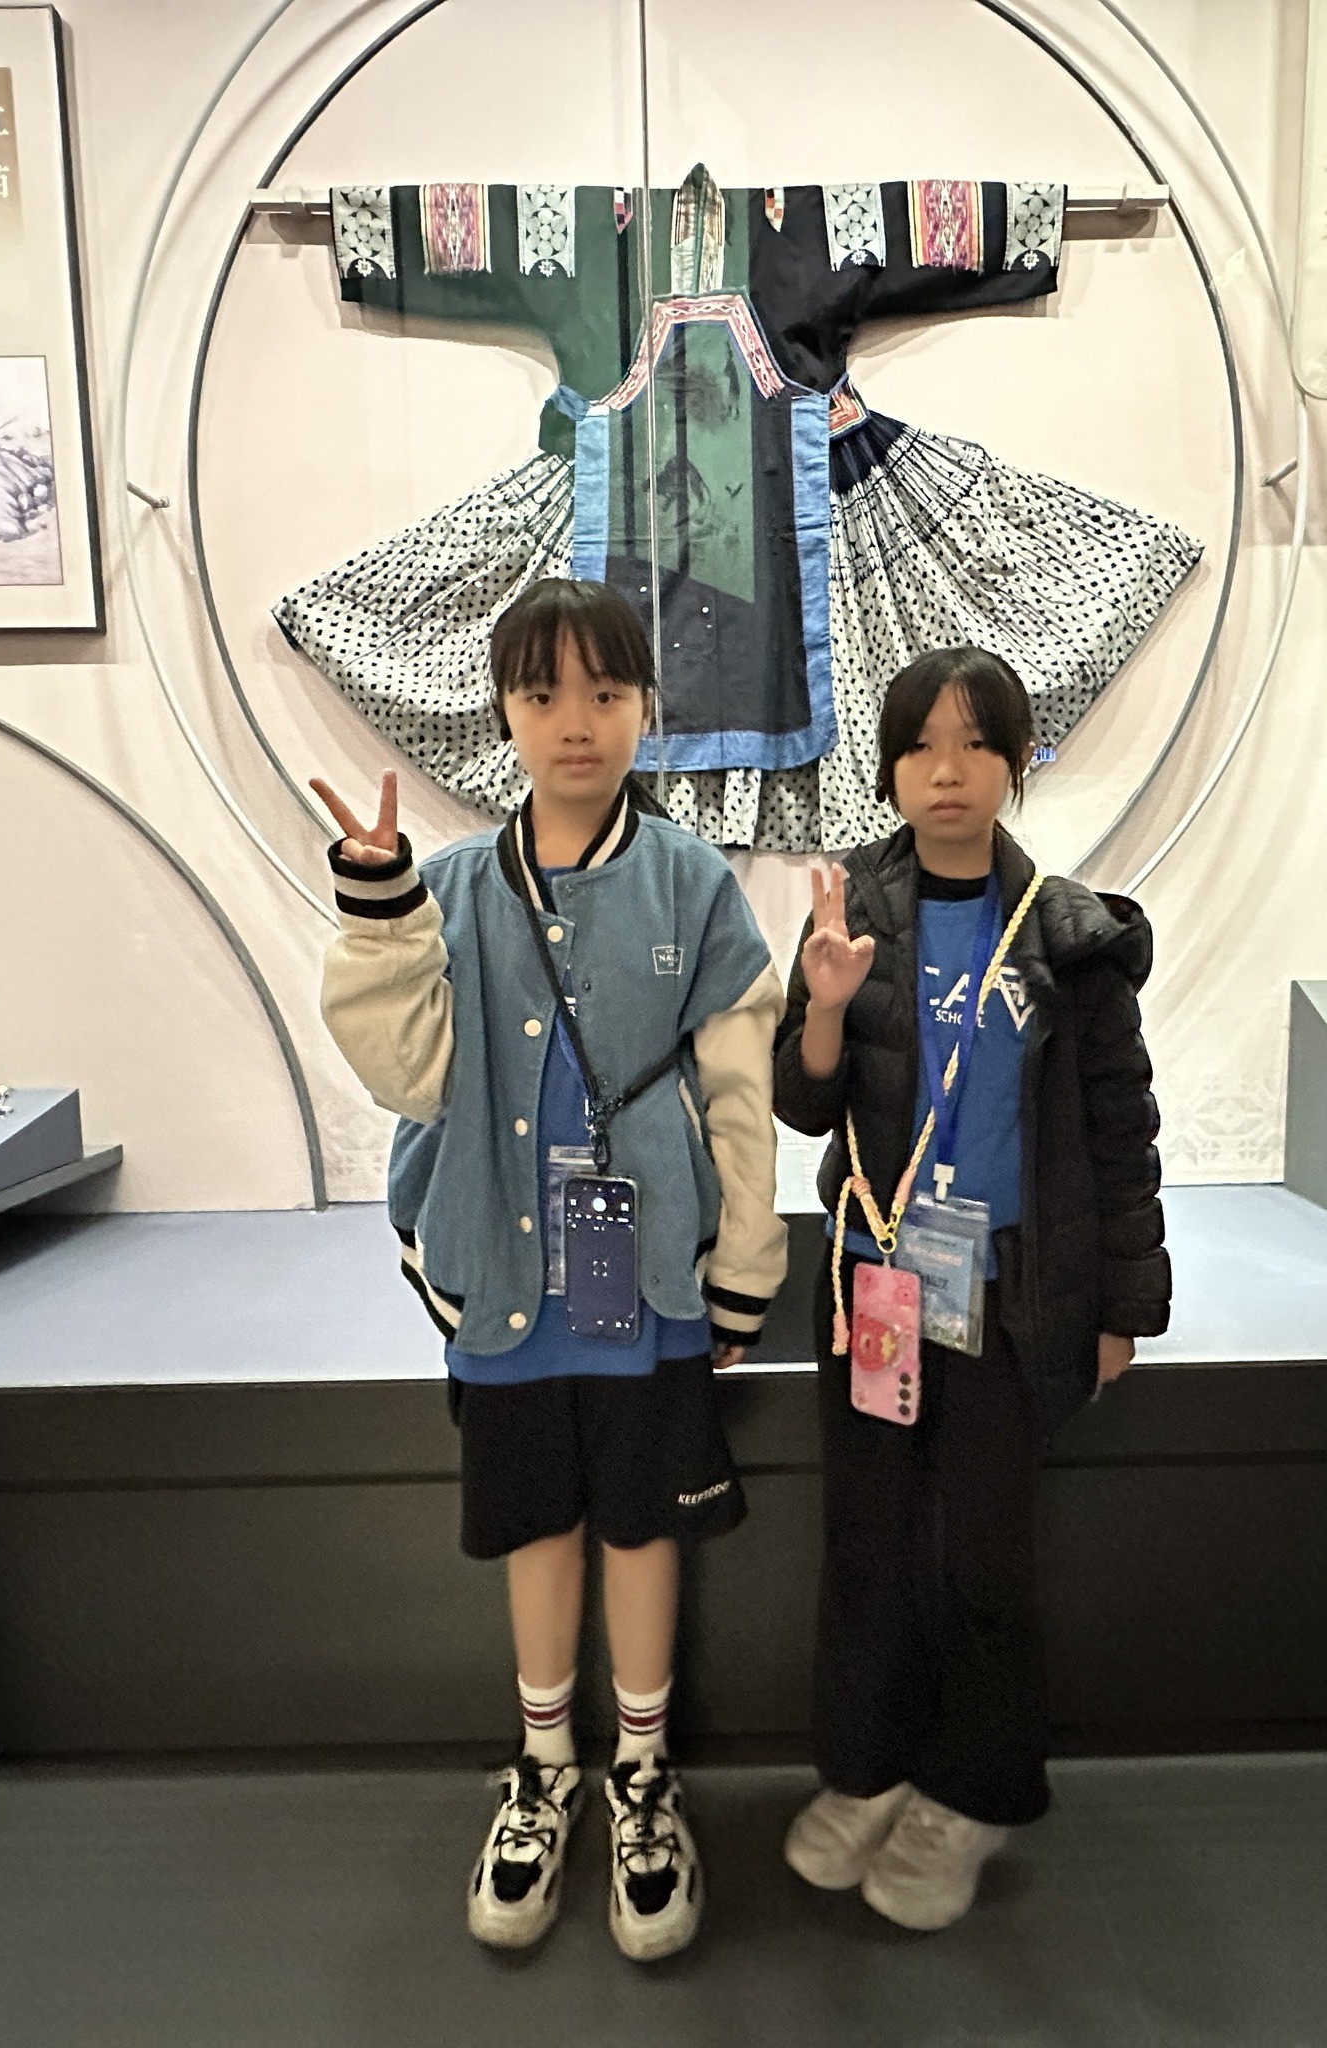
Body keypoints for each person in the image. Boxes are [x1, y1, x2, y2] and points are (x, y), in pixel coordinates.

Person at [311, 577, 787, 1962]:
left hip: (648, 1285)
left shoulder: (693, 882)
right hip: (508, 1281)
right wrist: (381, 909)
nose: (575, 721)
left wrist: (743, 1259)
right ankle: (544, 1769)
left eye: (605, 691)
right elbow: (407, 1074)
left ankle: (641, 1775)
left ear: (646, 706)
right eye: (541, 694)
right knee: (538, 1525)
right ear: (504, 714)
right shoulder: (454, 887)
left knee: (640, 1526)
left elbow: (740, 1089)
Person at [773, 646, 1169, 1932]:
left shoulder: (1068, 933)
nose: (946, 770)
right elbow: (803, 1101)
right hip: (875, 1295)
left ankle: (973, 1790)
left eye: (975, 742)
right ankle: (870, 1769)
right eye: (920, 745)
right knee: (868, 1546)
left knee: (985, 1559)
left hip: (1009, 1298)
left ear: (1014, 762)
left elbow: (1119, 1131)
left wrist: (1122, 1307)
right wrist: (823, 1006)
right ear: (890, 768)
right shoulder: (850, 911)